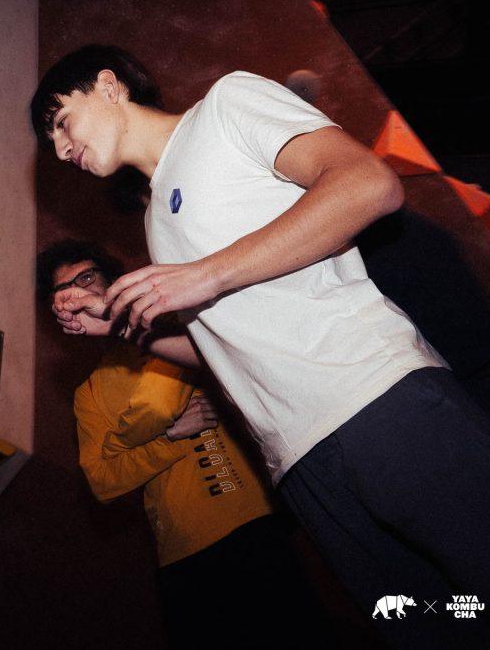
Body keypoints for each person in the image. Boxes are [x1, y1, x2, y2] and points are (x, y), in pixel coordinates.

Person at [31, 45, 490, 647]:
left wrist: (207, 274)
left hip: (378, 404)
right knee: (435, 620)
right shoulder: (156, 222)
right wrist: (124, 325)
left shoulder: (225, 106)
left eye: (61, 123)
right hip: (301, 464)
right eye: (52, 143)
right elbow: (219, 348)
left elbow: (368, 184)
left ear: (108, 85)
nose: (61, 151)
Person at [38, 239, 334, 648]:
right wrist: (169, 437)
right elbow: (102, 482)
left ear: (110, 279)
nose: (79, 292)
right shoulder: (88, 393)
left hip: (252, 521)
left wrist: (122, 444)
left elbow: (158, 405)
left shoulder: (177, 328)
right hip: (179, 552)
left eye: (86, 277)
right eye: (65, 289)